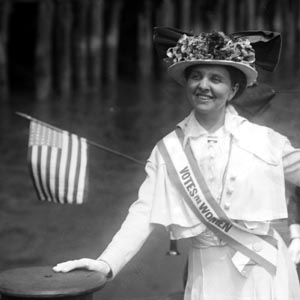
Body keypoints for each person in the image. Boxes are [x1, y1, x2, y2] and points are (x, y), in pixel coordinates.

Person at [54, 28, 300, 299]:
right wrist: (106, 263)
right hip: (208, 276)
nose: (203, 85)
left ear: (233, 90)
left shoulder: (267, 141)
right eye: (196, 76)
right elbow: (143, 213)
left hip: (266, 273)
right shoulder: (168, 150)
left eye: (215, 79)